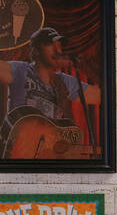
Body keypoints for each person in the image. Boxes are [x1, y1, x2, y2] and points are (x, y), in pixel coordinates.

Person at [0, 26, 100, 158]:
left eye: (59, 45)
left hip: (47, 153)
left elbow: (103, 96)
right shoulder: (20, 70)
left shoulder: (64, 81)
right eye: (51, 45)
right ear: (36, 50)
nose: (58, 50)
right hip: (19, 152)